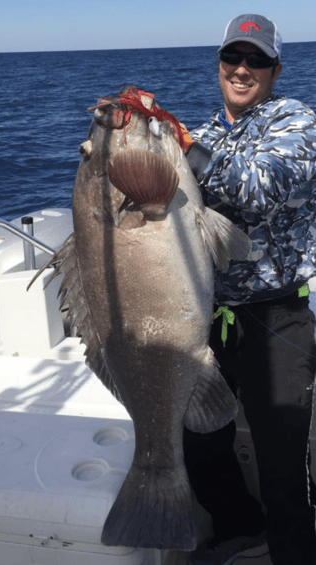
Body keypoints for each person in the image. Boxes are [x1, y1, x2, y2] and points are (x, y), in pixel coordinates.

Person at [181, 14, 316, 565]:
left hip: (277, 314)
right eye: (233, 58)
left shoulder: (296, 120)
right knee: (200, 440)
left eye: (256, 60)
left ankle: (293, 553)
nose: (242, 69)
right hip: (206, 316)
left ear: (275, 70)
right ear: (219, 65)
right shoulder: (205, 134)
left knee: (282, 460)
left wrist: (180, 150)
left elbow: (260, 188)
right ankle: (242, 529)